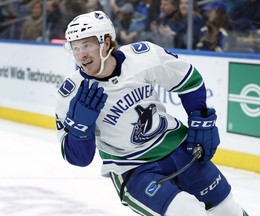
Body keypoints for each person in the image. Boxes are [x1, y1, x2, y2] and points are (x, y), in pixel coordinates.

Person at [55, 10, 249, 216]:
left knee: (227, 210)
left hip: (178, 148)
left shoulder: (143, 56)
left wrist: (200, 117)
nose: (81, 55)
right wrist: (80, 129)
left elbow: (187, 78)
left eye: (87, 45)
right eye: (75, 47)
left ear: (107, 42)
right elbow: (79, 159)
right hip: (133, 168)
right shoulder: (72, 93)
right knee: (187, 212)